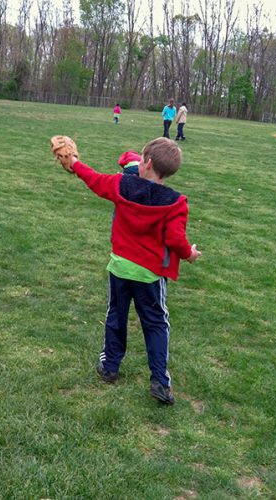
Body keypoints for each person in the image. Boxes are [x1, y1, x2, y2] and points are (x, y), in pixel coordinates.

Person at [61, 137, 202, 405]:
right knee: (156, 323)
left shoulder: (120, 184)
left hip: (120, 268)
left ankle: (110, 367)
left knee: (116, 314)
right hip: (149, 276)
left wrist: (75, 163)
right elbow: (175, 240)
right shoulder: (176, 202)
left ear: (146, 163)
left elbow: (94, 179)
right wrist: (190, 254)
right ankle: (160, 380)